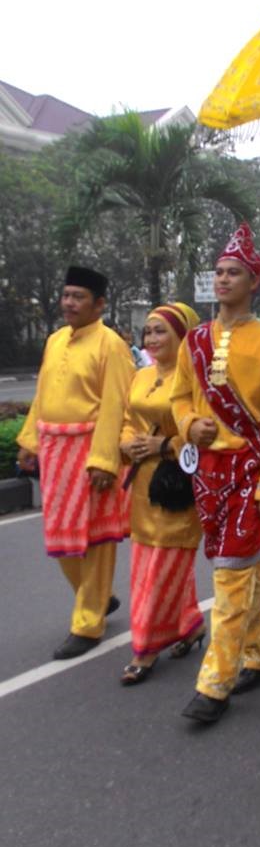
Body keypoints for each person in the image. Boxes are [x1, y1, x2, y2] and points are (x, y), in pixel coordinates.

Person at [171, 223, 260, 723]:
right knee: (231, 566)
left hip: (248, 467)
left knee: (231, 573)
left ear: (253, 282)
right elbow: (179, 396)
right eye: (218, 272)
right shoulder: (194, 340)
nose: (222, 279)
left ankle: (215, 681)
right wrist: (188, 423)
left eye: (233, 272)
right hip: (208, 471)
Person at [17, 266, 135, 659]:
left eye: (78, 297)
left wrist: (105, 459)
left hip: (89, 453)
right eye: (66, 295)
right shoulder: (54, 341)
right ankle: (101, 596)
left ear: (99, 304)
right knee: (62, 540)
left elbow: (117, 404)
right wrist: (30, 440)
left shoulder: (111, 345)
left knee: (95, 539)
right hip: (53, 452)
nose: (68, 303)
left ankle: (88, 622)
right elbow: (42, 394)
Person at [119, 302, 204, 685]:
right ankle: (189, 623)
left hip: (177, 484)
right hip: (142, 485)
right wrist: (128, 445)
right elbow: (126, 420)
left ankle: (147, 646)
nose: (151, 339)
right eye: (148, 332)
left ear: (184, 337)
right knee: (144, 564)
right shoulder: (141, 377)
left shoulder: (195, 382)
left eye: (160, 332)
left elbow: (205, 434)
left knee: (162, 569)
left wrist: (164, 446)